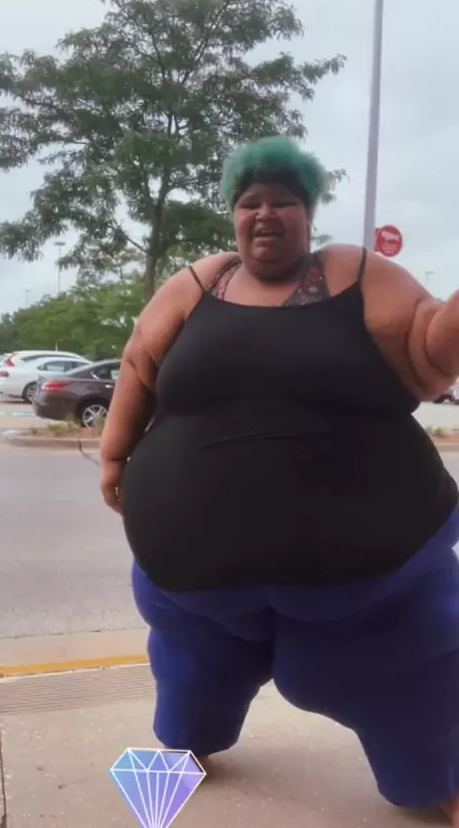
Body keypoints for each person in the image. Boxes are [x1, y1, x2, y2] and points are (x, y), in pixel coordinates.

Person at [100, 136, 459, 823]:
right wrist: (116, 457)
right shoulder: (200, 282)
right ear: (234, 215)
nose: (265, 214)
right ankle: (185, 745)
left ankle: (437, 778)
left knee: (410, 669)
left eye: (284, 202)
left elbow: (430, 348)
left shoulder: (356, 273)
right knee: (193, 667)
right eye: (250, 202)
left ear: (308, 213)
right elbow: (138, 366)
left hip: (375, 579)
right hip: (192, 576)